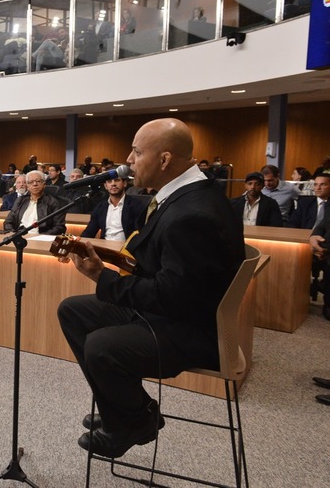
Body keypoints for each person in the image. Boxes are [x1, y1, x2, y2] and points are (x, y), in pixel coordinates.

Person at [57, 118, 245, 459]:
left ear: (165, 159)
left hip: (190, 331)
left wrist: (103, 277)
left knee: (101, 345)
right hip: (171, 313)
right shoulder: (184, 195)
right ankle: (128, 411)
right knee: (73, 311)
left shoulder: (192, 213)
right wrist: (103, 261)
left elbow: (171, 296)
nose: (128, 160)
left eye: (137, 152)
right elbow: (161, 267)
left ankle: (131, 422)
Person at [81, 176, 145, 240]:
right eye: (109, 181)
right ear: (105, 186)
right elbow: (89, 232)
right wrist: (79, 242)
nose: (113, 184)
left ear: (124, 183)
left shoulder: (136, 205)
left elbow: (140, 233)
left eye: (117, 180)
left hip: (126, 245)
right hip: (104, 245)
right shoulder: (100, 207)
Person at [3, 170, 65, 235]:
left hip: (41, 238)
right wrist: (14, 235)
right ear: (27, 186)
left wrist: (41, 237)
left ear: (44, 184)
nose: (35, 184)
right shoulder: (20, 200)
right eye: (31, 182)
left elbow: (59, 227)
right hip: (19, 237)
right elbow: (8, 222)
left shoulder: (53, 202)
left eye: (38, 181)